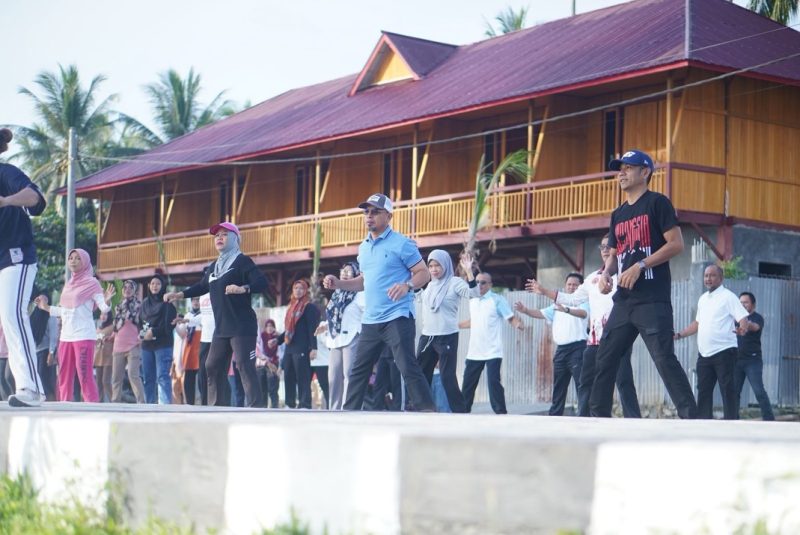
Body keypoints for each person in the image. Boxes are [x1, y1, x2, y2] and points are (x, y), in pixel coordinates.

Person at [587, 150, 697, 418]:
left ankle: (693, 419)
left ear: (645, 172)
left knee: (664, 359)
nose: (621, 173)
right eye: (620, 169)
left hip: (652, 299)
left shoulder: (658, 203)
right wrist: (606, 273)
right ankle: (597, 420)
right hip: (624, 301)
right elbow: (615, 254)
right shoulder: (618, 214)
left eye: (628, 168)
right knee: (605, 359)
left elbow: (676, 244)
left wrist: (641, 265)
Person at [323, 193, 435, 412]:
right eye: (366, 212)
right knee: (358, 371)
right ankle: (348, 413)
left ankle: (428, 410)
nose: (369, 216)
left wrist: (407, 285)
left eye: (375, 212)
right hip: (371, 320)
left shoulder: (402, 243)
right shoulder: (363, 247)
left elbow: (424, 273)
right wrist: (339, 283)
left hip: (398, 316)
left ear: (389, 216)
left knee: (407, 366)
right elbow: (363, 282)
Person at [526, 235, 642, 418]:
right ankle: (585, 419)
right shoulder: (591, 279)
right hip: (595, 340)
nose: (605, 250)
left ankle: (634, 421)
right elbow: (572, 299)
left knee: (623, 382)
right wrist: (544, 291)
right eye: (602, 247)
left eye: (609, 246)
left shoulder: (625, 273)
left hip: (619, 338)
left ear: (617, 249)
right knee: (587, 382)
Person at [164, 222, 266, 407]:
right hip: (222, 328)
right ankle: (218, 407)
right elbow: (202, 286)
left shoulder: (243, 261)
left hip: (242, 326)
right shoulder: (214, 267)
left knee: (244, 366)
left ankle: (256, 408)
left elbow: (262, 282)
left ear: (235, 238)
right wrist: (179, 294)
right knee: (212, 366)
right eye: (216, 235)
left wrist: (243, 288)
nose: (219, 238)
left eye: (224, 234)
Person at [0, 127, 48, 407]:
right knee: (8, 317)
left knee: (13, 314)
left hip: (15, 256)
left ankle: (31, 388)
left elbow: (35, 198)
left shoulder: (6, 173)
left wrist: (6, 200)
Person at [36, 248, 115, 402]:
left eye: (78, 258)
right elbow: (65, 311)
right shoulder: (68, 285)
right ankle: (64, 406)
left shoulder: (92, 283)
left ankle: (92, 407)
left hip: (83, 336)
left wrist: (107, 301)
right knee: (64, 375)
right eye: (71, 258)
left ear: (84, 262)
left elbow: (103, 307)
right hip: (66, 337)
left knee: (84, 375)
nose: (73, 260)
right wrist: (46, 308)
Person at [675, 265, 749, 420]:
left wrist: (742, 328)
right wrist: (680, 335)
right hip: (704, 354)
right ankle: (704, 422)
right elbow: (697, 324)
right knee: (703, 390)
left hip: (724, 351)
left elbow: (743, 317)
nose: (708, 278)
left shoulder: (728, 297)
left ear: (721, 278)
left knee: (727, 389)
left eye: (712, 275)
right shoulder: (703, 299)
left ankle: (731, 422)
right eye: (706, 275)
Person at [516, 273, 589, 416]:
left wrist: (567, 310)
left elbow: (583, 313)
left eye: (575, 285)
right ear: (565, 286)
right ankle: (555, 415)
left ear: (580, 287)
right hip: (561, 350)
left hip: (578, 348)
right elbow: (541, 313)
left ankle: (585, 415)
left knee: (581, 384)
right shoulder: (557, 304)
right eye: (569, 284)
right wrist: (525, 311)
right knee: (559, 386)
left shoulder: (583, 300)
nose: (571, 287)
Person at [416, 250, 479, 413]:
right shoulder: (430, 286)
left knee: (447, 377)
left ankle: (460, 412)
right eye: (431, 266)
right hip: (428, 336)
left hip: (447, 336)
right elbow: (420, 300)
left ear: (445, 265)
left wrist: (469, 271)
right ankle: (422, 408)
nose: (434, 269)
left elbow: (474, 294)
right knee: (420, 374)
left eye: (437, 265)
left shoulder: (454, 282)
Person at [459, 272, 523, 414]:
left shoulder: (497, 300)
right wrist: (456, 325)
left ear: (490, 285)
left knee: (493, 382)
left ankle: (501, 413)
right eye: (477, 282)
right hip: (474, 351)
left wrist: (518, 324)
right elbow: (474, 321)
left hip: (493, 351)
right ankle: (463, 412)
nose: (479, 285)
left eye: (483, 282)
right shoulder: (472, 300)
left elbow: (510, 317)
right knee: (468, 384)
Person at [316, 261, 364, 410]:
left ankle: (348, 407)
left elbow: (367, 314)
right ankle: (334, 408)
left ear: (356, 275)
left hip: (352, 337)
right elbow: (334, 316)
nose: (344, 274)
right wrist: (325, 325)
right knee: (333, 376)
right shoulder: (336, 294)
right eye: (343, 271)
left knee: (349, 373)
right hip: (335, 338)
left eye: (348, 271)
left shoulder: (360, 294)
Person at [269, 280, 319, 409]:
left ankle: (304, 404)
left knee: (303, 377)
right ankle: (289, 404)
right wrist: (277, 340)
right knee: (288, 376)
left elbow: (312, 329)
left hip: (302, 347)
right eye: (296, 288)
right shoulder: (291, 307)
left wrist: (314, 348)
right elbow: (289, 330)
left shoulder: (309, 307)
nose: (298, 291)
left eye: (301, 288)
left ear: (306, 290)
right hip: (289, 348)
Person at [733, 292, 775, 421]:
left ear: (753, 304)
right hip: (736, 360)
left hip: (752, 360)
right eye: (740, 302)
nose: (742, 305)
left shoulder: (757, 318)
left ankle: (769, 419)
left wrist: (744, 324)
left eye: (745, 302)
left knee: (759, 391)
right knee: (734, 392)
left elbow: (755, 327)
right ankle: (733, 419)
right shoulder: (734, 318)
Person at [140, 274, 177, 404]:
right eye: (152, 283)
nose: (155, 286)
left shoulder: (167, 304)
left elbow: (169, 326)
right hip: (147, 346)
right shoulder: (145, 303)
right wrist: (143, 334)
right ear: (149, 286)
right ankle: (149, 405)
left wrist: (153, 332)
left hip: (163, 345)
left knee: (162, 377)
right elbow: (141, 322)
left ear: (163, 286)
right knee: (148, 378)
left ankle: (164, 407)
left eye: (158, 284)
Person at [111, 280, 145, 403]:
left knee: (133, 375)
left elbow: (144, 324)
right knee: (116, 377)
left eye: (130, 288)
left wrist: (142, 337)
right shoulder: (118, 306)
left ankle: (142, 403)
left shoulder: (139, 306)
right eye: (125, 288)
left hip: (133, 345)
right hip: (118, 345)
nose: (127, 290)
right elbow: (117, 326)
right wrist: (111, 335)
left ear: (134, 290)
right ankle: (115, 402)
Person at [31, 293, 59, 401]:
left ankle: (51, 401)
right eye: (39, 298)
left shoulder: (51, 316)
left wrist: (51, 353)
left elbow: (53, 336)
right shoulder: (35, 315)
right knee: (38, 378)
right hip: (35, 351)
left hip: (46, 351)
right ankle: (43, 400)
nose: (40, 300)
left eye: (43, 298)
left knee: (45, 379)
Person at [179, 297, 202, 405]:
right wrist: (176, 324)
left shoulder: (205, 315)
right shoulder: (187, 315)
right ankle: (189, 402)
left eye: (198, 300)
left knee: (201, 377)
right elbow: (182, 334)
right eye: (194, 300)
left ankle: (203, 402)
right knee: (188, 377)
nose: (196, 302)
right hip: (189, 348)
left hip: (201, 346)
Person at [257, 318, 281, 408]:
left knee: (273, 389)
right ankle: (263, 408)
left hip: (274, 364)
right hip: (263, 364)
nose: (269, 328)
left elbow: (281, 352)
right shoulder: (262, 337)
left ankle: (275, 407)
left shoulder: (278, 338)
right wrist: (267, 361)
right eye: (267, 326)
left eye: (271, 326)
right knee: (262, 389)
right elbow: (260, 351)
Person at [197, 293, 214, 405]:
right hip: (204, 339)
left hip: (216, 338)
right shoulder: (202, 295)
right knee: (202, 373)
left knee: (215, 371)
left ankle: (219, 402)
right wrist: (188, 320)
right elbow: (203, 316)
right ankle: (204, 402)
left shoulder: (218, 290)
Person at [94, 310, 115, 402]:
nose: (103, 316)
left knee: (106, 381)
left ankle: (113, 401)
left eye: (105, 314)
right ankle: (99, 401)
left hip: (108, 357)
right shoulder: (98, 327)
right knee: (98, 382)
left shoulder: (112, 327)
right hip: (98, 356)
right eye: (102, 314)